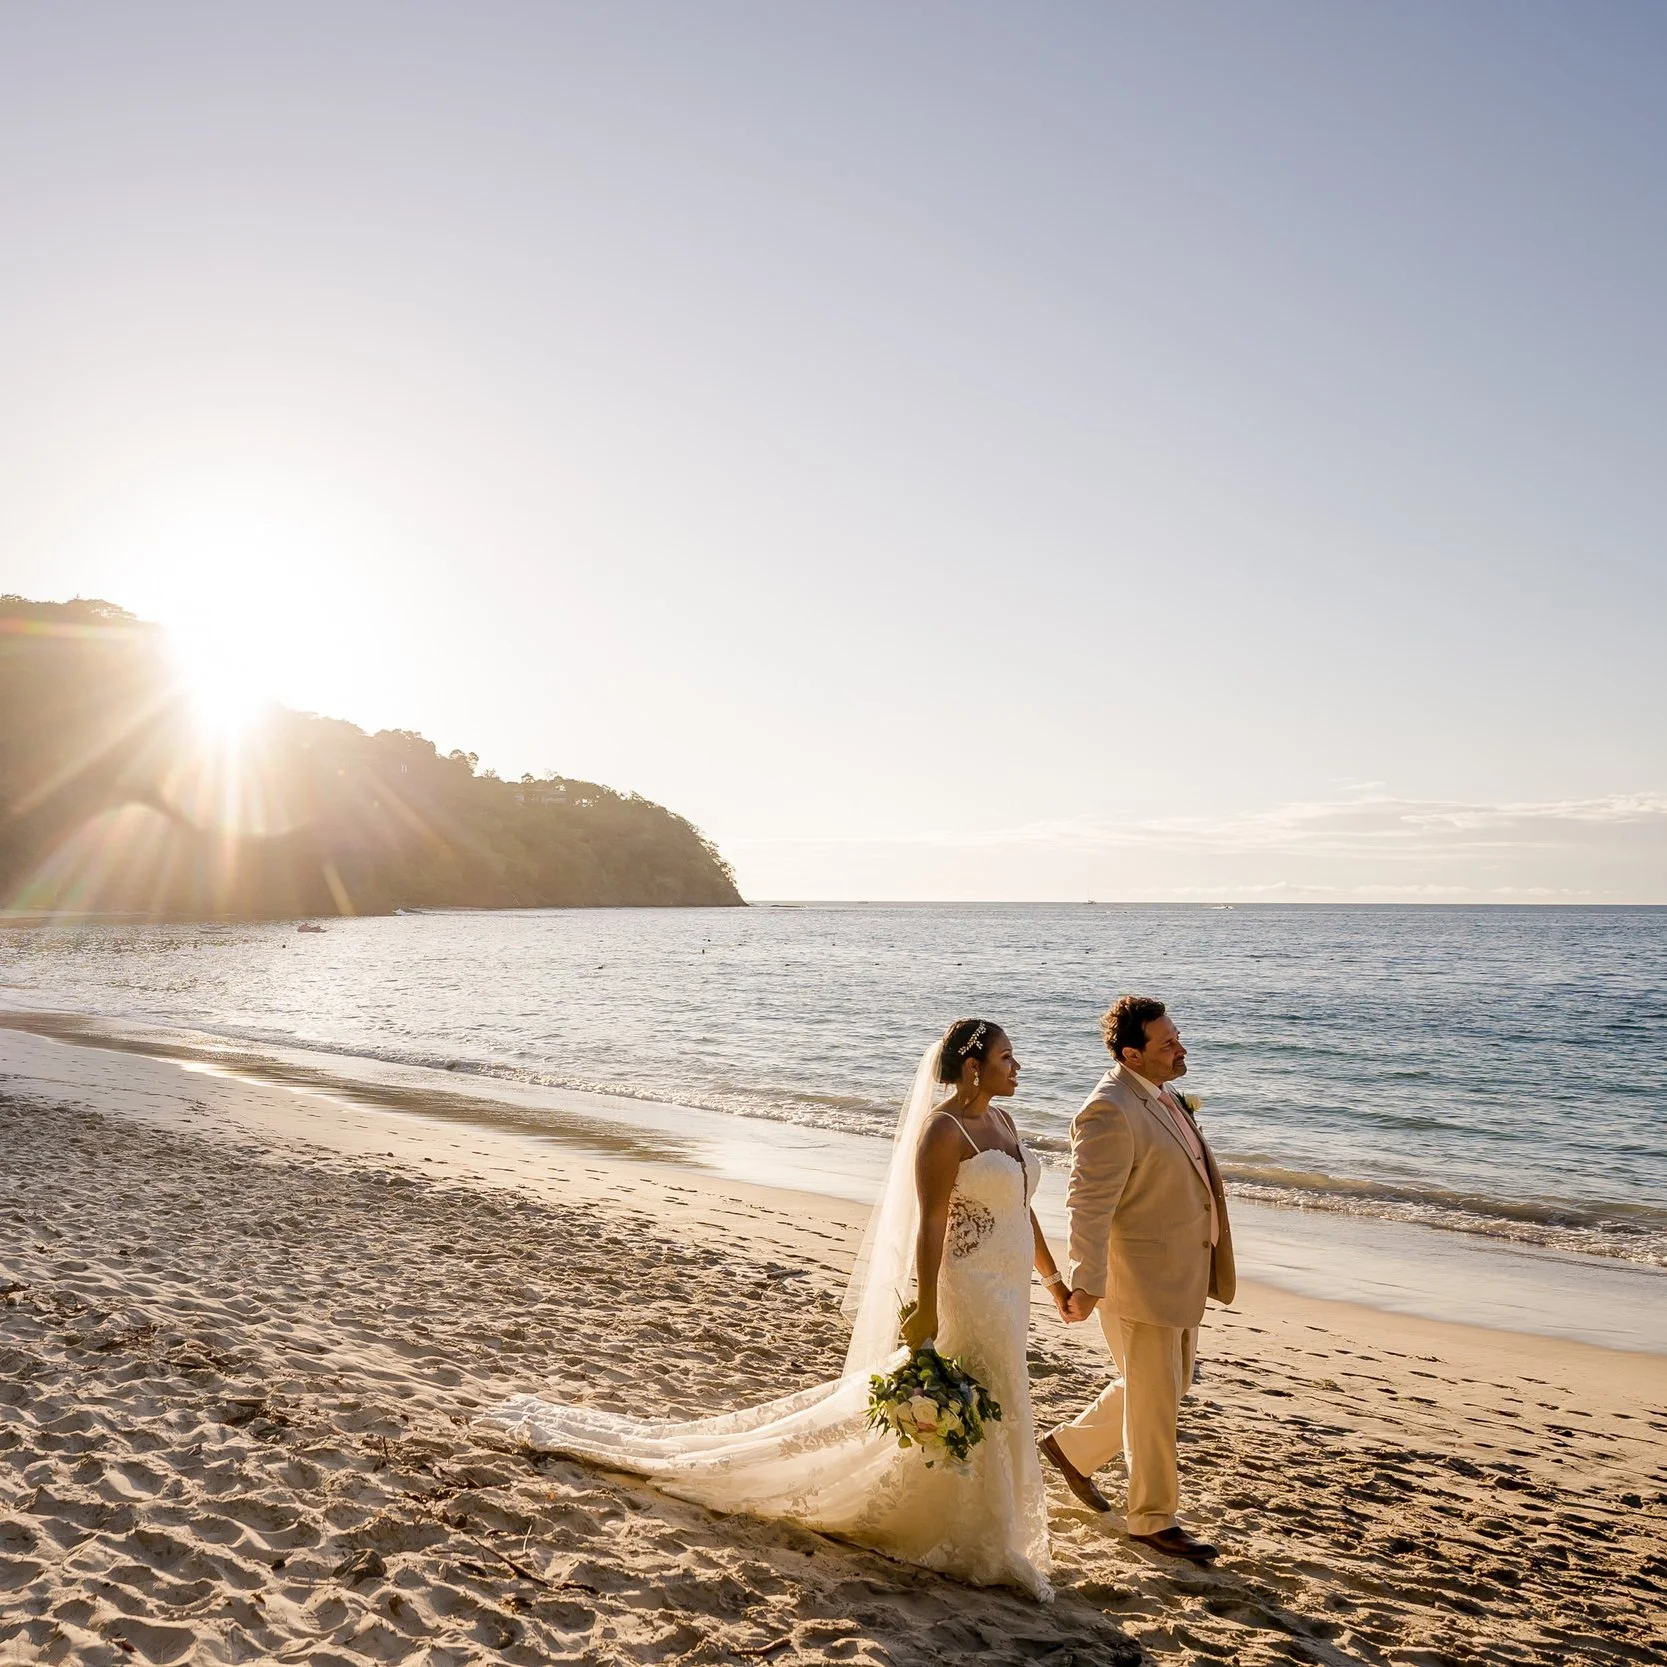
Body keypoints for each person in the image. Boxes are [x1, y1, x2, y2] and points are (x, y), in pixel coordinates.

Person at [482, 1018, 1069, 1599]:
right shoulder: (942, 1133)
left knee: (1001, 1395)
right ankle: (980, 1534)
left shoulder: (1004, 1120)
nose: (1017, 1068)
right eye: (1007, 1058)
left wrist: (1052, 1280)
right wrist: (929, 1306)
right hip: (969, 1288)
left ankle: (983, 1522)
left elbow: (1021, 1207)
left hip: (1010, 1287)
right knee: (978, 1393)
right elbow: (932, 1222)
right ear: (973, 1066)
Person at [1039, 995, 1235, 1564]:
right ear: (1132, 1053)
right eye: (1167, 1042)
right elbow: (1087, 1204)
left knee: (1169, 1386)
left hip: (1180, 1271)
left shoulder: (1162, 1096)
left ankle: (1072, 1450)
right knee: (1155, 1404)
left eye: (1178, 1036)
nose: (1181, 1047)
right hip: (1138, 1280)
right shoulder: (1108, 1110)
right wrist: (1086, 1281)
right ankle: (1151, 1519)